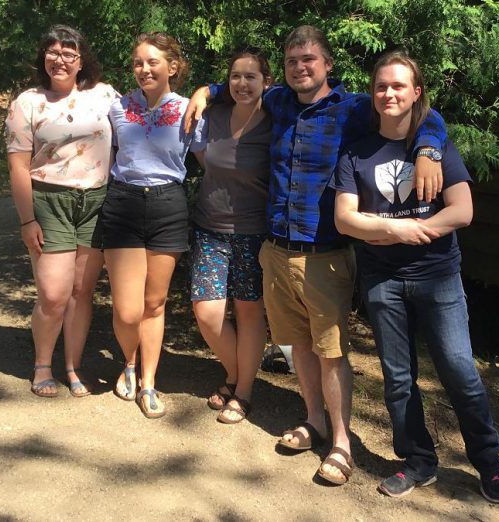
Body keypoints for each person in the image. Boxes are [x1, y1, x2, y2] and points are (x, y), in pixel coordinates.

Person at [184, 26, 446, 485]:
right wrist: (205, 90)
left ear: (327, 65)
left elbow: (417, 112)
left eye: (309, 59)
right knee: (299, 347)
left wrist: (428, 149)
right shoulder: (279, 101)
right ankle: (314, 421)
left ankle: (342, 444)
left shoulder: (354, 109)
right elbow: (236, 84)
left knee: (331, 352)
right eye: (291, 61)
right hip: (275, 250)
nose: (300, 67)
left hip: (324, 254)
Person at [333, 50, 499, 503]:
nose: (388, 93)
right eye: (380, 86)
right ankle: (418, 462)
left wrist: (415, 233)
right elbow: (344, 220)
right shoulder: (356, 151)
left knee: (459, 370)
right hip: (380, 281)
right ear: (372, 94)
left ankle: (488, 462)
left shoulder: (435, 145)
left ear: (416, 93)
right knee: (397, 378)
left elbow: (463, 210)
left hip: (438, 276)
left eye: (398, 86)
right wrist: (395, 228)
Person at [5, 25, 117, 398]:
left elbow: (146, 113)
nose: (60, 59)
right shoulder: (28, 102)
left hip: (96, 201)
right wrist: (27, 219)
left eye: (69, 52)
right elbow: (19, 166)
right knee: (53, 293)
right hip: (49, 201)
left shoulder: (104, 95)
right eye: (53, 52)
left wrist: (207, 93)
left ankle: (72, 366)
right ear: (44, 58)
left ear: (81, 60)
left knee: (81, 291)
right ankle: (42, 364)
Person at [103, 32, 204, 418]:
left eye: (152, 62)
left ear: (172, 67)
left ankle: (147, 381)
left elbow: (209, 159)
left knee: (154, 302)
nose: (144, 69)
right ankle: (127, 362)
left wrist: (207, 91)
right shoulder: (116, 107)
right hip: (124, 203)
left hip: (168, 204)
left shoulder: (188, 110)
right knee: (128, 310)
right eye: (138, 63)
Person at [190, 48, 272, 424]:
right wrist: (204, 91)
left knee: (249, 313)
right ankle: (238, 373)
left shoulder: (275, 121)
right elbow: (204, 159)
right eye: (236, 76)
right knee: (207, 313)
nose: (242, 83)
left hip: (254, 234)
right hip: (210, 228)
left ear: (266, 82)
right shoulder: (214, 115)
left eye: (251, 76)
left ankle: (243, 392)